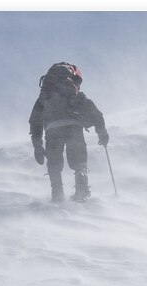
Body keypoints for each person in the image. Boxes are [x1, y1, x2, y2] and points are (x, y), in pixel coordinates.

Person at [29, 63, 109, 202]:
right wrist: (102, 133)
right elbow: (96, 114)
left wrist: (37, 145)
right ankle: (81, 181)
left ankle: (57, 194)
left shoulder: (45, 96)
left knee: (54, 164)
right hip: (74, 127)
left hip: (52, 130)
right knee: (79, 161)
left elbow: (35, 120)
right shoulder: (77, 94)